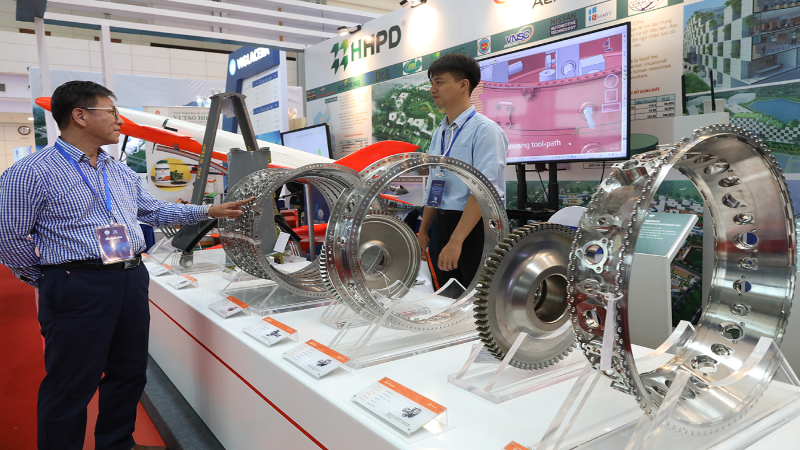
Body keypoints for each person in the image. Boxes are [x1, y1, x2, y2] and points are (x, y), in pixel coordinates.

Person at [0, 80, 253, 450]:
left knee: (129, 370)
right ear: (80, 116)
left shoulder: (117, 171)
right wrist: (49, 279)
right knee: (71, 382)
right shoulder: (30, 172)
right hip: (77, 283)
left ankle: (117, 443)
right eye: (112, 112)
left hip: (130, 277)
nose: (120, 120)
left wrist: (209, 210)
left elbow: (153, 211)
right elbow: (10, 236)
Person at [417, 53, 508, 291]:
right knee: (445, 296)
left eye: (439, 82)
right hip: (442, 223)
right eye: (432, 83)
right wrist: (424, 230)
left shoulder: (485, 130)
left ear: (463, 85)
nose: (432, 89)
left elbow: (483, 192)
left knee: (475, 299)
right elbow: (435, 184)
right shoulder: (440, 132)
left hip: (475, 227)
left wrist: (456, 240)